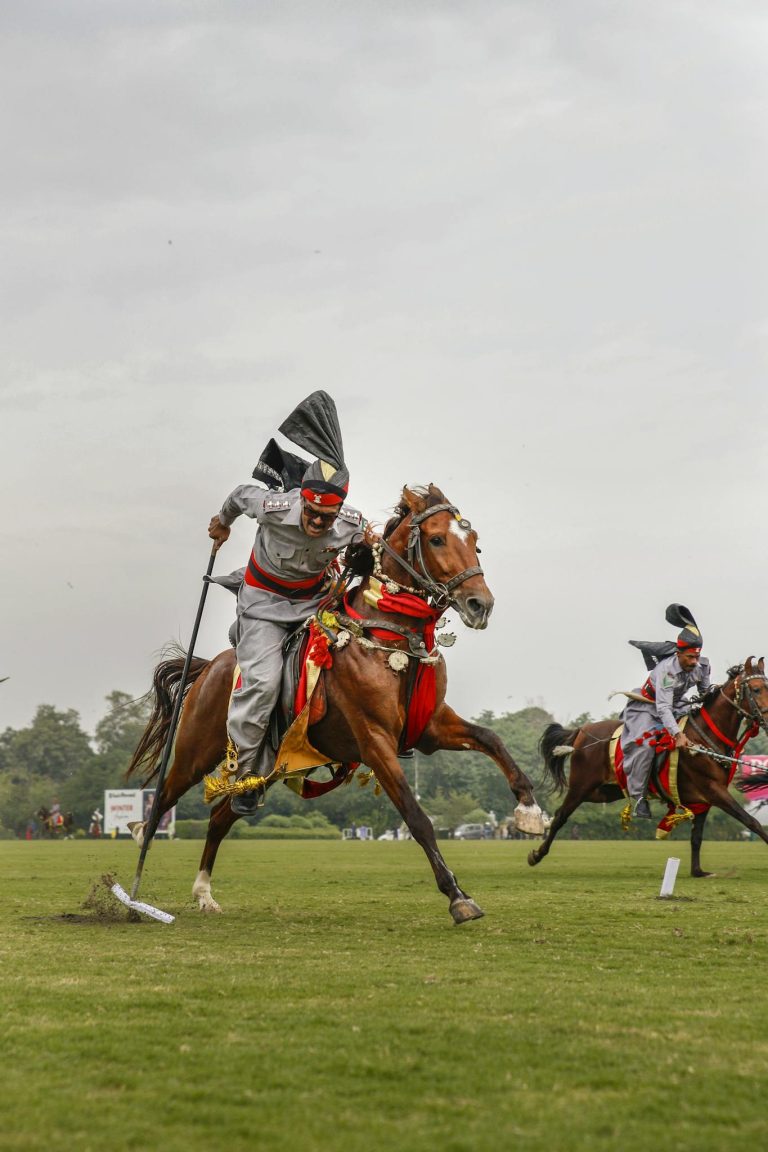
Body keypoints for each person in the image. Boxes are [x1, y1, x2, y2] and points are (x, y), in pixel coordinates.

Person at [208, 392, 366, 816]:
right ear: (304, 499)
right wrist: (221, 522)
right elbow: (241, 495)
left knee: (367, 660)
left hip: (316, 604)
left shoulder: (351, 524)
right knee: (264, 682)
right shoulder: (274, 507)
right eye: (312, 513)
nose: (317, 523)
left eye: (326, 519)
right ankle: (243, 774)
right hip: (263, 605)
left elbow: (373, 547)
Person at [620, 604, 711, 819]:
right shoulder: (666, 671)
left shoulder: (703, 666)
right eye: (689, 657)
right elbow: (662, 707)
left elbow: (705, 695)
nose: (694, 662)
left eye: (696, 657)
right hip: (649, 708)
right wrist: (678, 734)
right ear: (678, 654)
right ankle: (638, 798)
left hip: (679, 706)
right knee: (643, 745)